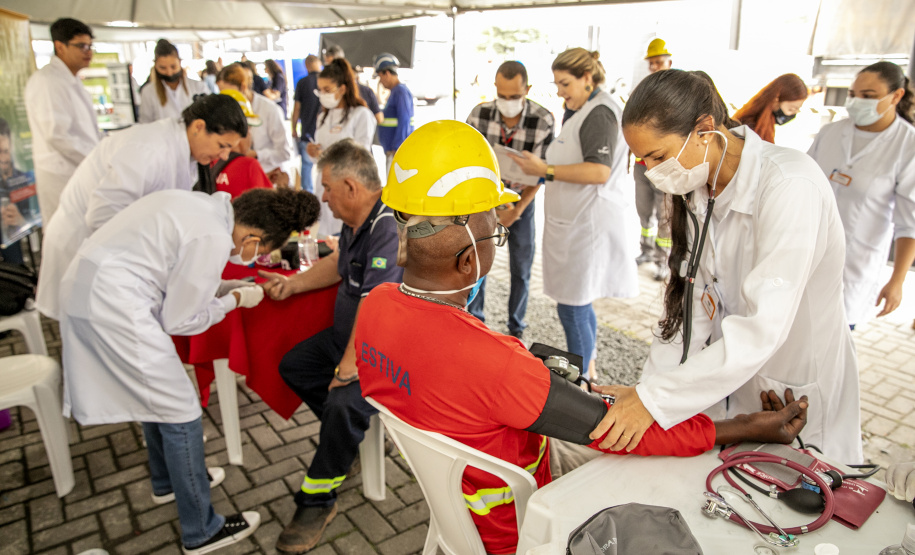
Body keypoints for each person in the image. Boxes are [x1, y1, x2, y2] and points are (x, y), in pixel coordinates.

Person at [356, 119, 811, 555]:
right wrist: (748, 428)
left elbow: (455, 373)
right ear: (467, 262)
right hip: (522, 518)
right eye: (495, 228)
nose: (500, 232)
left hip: (462, 502)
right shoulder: (499, 366)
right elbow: (626, 434)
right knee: (669, 471)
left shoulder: (374, 306)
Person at [589, 68, 862, 464]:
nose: (650, 170)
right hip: (733, 381)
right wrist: (649, 394)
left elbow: (762, 325)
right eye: (643, 159)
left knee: (806, 494)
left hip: (794, 381)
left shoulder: (789, 185)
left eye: (658, 156)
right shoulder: (701, 184)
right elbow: (692, 303)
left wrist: (654, 401)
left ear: (705, 129)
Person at [59, 186, 320, 554]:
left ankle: (168, 482)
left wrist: (236, 284)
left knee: (155, 398)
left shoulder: (202, 208)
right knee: (181, 410)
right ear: (251, 237)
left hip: (92, 290)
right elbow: (182, 319)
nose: (255, 257)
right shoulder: (211, 236)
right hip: (113, 307)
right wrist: (234, 300)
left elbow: (182, 275)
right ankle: (202, 529)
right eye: (261, 250)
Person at [257, 139, 402, 554]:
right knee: (294, 366)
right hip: (348, 342)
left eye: (327, 187)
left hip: (380, 356)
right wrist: (293, 283)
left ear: (352, 188)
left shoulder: (388, 227)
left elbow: (375, 306)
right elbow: (338, 267)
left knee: (341, 404)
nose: (323, 197)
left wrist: (347, 368)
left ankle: (317, 501)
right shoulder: (358, 220)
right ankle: (346, 442)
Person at [35, 94, 248, 321]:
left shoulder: (185, 154)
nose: (224, 155)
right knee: (87, 332)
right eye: (222, 146)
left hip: (110, 253)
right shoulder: (149, 149)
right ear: (198, 127)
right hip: (82, 243)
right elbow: (102, 216)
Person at [511, 48, 638, 376]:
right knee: (578, 303)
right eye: (556, 85)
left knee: (572, 308)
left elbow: (599, 171)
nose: (560, 92)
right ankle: (589, 367)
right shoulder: (582, 110)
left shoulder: (600, 113)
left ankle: (581, 380)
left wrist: (546, 169)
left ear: (587, 78)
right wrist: (536, 169)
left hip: (588, 227)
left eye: (565, 84)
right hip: (576, 223)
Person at [807, 61, 915, 329]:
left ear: (896, 96)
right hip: (808, 254)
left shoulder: (907, 145)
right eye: (853, 95)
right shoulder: (831, 132)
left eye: (868, 96)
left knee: (832, 346)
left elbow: (908, 224)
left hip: (854, 266)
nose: (857, 102)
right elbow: (804, 185)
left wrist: (897, 281)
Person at [465, 61, 555, 339]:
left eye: (514, 97)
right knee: (477, 264)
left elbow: (543, 174)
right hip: (484, 201)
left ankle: (516, 327)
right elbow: (468, 162)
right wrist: (491, 207)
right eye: (502, 96)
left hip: (522, 203)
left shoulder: (543, 120)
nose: (507, 103)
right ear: (495, 89)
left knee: (521, 268)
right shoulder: (479, 115)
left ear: (527, 89)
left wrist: (516, 211)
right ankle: (475, 322)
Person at [24, 17, 101, 223]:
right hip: (61, 175)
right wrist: (96, 160)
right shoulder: (47, 81)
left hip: (80, 171)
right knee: (65, 236)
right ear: (60, 47)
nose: (88, 52)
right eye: (81, 46)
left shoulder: (73, 81)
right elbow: (58, 135)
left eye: (90, 46)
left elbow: (88, 131)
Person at [306, 58, 377, 237]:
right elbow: (319, 157)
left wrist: (328, 155)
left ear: (343, 89)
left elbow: (361, 156)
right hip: (325, 185)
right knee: (325, 236)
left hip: (348, 187)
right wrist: (313, 153)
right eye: (320, 90)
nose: (323, 94)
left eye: (327, 90)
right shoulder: (323, 117)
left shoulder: (361, 115)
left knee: (344, 235)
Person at [217, 63, 295, 186]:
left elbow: (284, 153)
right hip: (240, 178)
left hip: (269, 178)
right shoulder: (226, 112)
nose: (226, 99)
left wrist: (257, 155)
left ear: (243, 87)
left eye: (229, 93)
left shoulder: (269, 110)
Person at [634, 38, 673, 279]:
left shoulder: (675, 93)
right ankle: (646, 251)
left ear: (669, 61)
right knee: (644, 212)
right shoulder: (643, 90)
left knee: (665, 216)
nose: (655, 66)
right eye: (652, 63)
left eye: (659, 62)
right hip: (642, 164)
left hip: (664, 165)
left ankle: (662, 260)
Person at [138, 39, 210, 123]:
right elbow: (145, 123)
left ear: (179, 62)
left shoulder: (198, 86)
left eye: (173, 66)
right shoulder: (148, 91)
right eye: (163, 68)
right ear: (155, 66)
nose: (169, 72)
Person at [733, 74, 809, 143]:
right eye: (791, 109)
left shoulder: (767, 124)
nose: (794, 114)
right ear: (776, 100)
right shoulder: (748, 128)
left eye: (798, 110)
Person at [373, 53, 414, 172]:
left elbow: (404, 120)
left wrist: (397, 147)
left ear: (387, 73)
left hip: (397, 152)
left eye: (380, 76)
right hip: (393, 150)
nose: (380, 81)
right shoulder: (396, 92)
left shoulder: (400, 92)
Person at [322, 45, 383, 124]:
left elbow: (379, 118)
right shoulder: (326, 93)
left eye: (333, 65)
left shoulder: (364, 91)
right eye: (327, 66)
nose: (329, 70)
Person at [292, 55, 322, 194]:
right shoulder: (325, 81)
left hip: (308, 132)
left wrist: (294, 128)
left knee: (307, 166)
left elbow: (297, 108)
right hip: (319, 133)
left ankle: (307, 195)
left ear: (306, 65)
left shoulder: (303, 83)